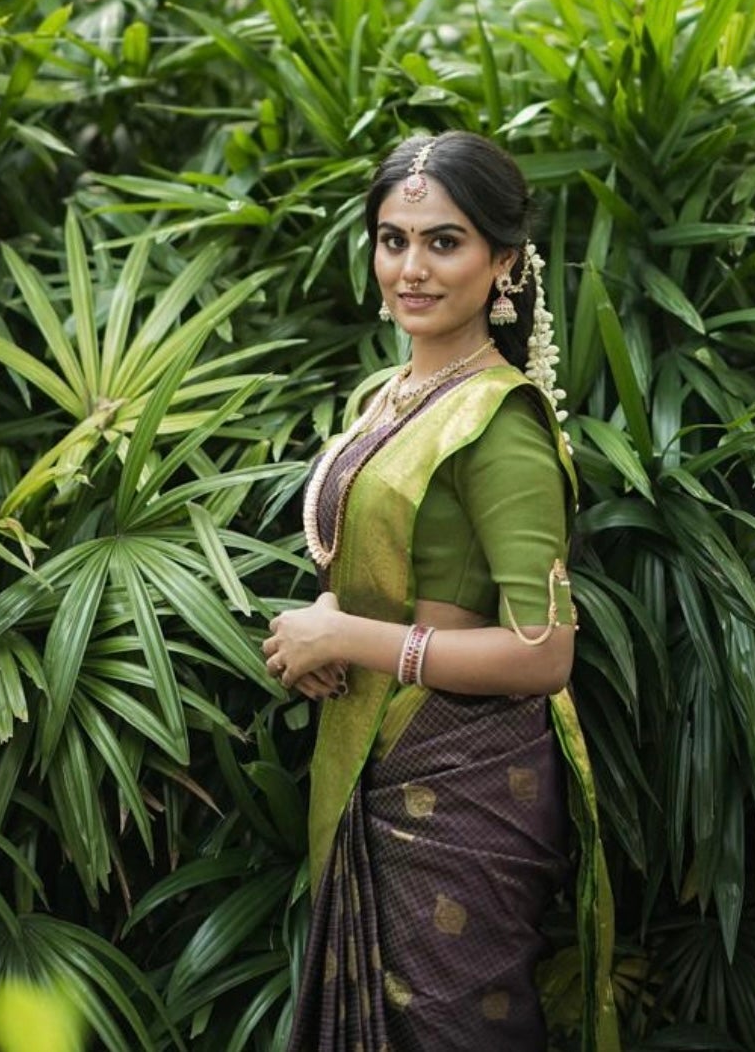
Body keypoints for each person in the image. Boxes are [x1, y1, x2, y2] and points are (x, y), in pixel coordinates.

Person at [263, 131, 619, 1052]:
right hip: (374, 754)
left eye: (444, 241)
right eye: (392, 239)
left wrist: (345, 642)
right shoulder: (389, 395)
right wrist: (331, 622)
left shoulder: (501, 422)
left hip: (461, 781)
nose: (411, 268)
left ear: (503, 262)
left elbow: (545, 653)